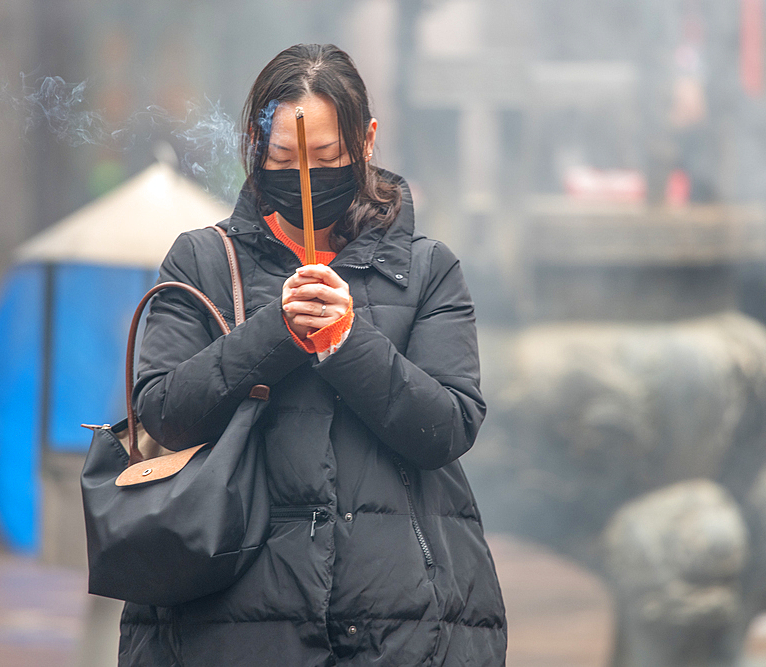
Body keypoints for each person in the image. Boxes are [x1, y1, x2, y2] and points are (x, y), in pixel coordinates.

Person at [120, 43, 507, 666]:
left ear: (367, 140)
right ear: (255, 143)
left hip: (398, 624)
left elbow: (448, 426)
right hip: (230, 622)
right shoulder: (200, 262)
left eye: (328, 157)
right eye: (283, 156)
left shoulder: (427, 269)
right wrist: (278, 332)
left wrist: (347, 343)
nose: (307, 173)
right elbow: (162, 412)